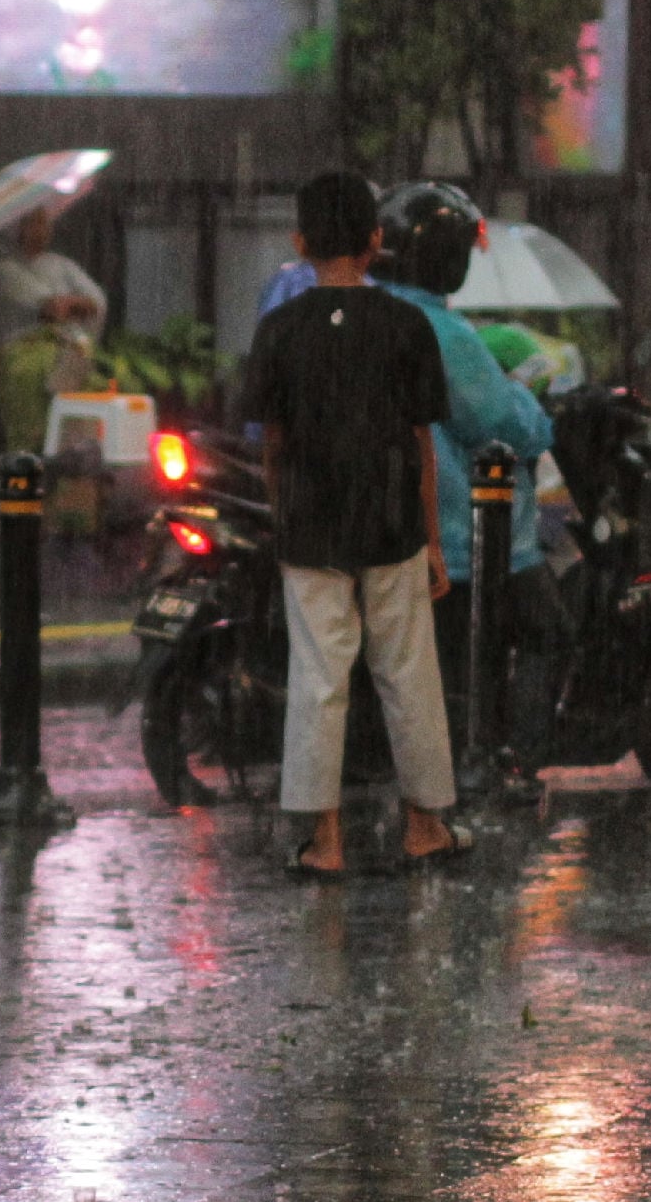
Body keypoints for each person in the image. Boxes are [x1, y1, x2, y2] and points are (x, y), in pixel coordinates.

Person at [238, 171, 470, 877]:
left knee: (318, 678)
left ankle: (326, 841)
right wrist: (433, 540)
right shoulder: (406, 326)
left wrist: (284, 513)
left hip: (311, 525)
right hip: (392, 522)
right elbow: (422, 445)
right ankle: (424, 826)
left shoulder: (279, 331)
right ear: (375, 240)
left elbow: (273, 443)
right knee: (408, 675)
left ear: (300, 242)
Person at [371, 182, 564, 790]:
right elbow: (504, 424)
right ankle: (511, 764)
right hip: (464, 538)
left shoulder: (365, 316)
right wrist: (529, 403)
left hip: (386, 530)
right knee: (548, 631)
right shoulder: (443, 334)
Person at [0, 207, 107, 456]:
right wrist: (75, 305)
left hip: (70, 356)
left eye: (44, 223)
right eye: (33, 223)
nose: (41, 231)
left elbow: (96, 302)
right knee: (31, 440)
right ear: (16, 229)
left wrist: (73, 306)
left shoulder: (62, 265)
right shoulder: (3, 271)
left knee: (78, 430)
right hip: (24, 363)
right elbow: (51, 308)